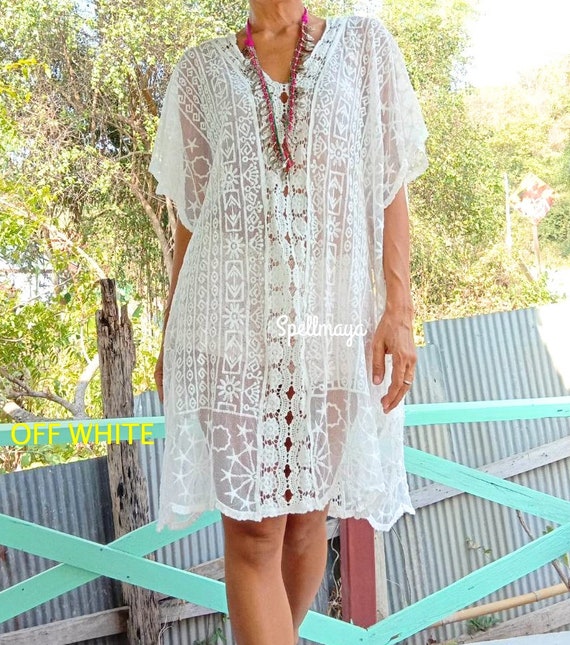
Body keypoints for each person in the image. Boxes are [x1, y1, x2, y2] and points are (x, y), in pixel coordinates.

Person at [150, 1, 428, 643]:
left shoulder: (364, 47)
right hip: (226, 326)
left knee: (306, 523)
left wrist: (399, 309)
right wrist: (171, 336)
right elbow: (191, 219)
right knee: (253, 532)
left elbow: (390, 185)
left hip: (331, 326)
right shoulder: (198, 72)